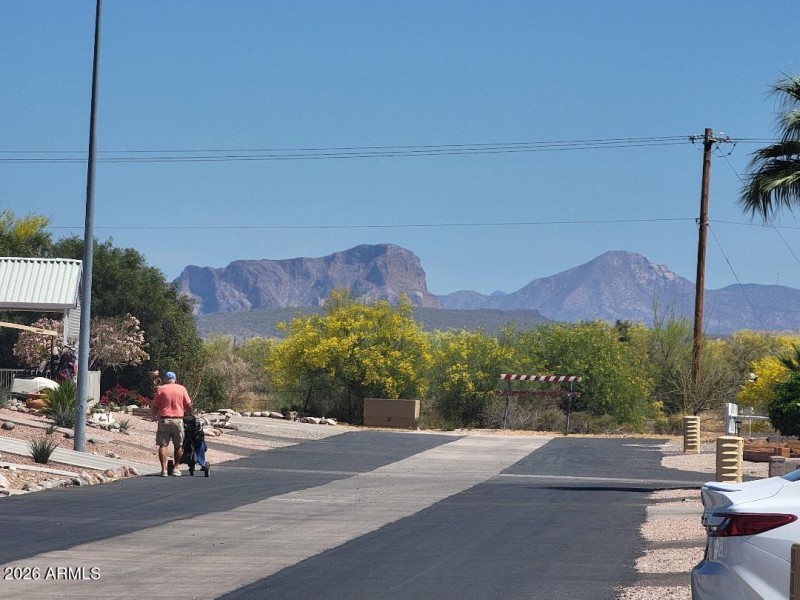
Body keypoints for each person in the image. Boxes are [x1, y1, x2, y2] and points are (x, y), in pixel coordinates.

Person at [150, 371, 192, 477]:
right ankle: (175, 467)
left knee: (163, 445)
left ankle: (164, 470)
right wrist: (188, 413)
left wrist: (154, 416)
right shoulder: (182, 389)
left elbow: (155, 405)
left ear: (165, 379)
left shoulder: (161, 389)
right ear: (175, 379)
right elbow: (188, 405)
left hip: (164, 419)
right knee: (178, 445)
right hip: (177, 419)